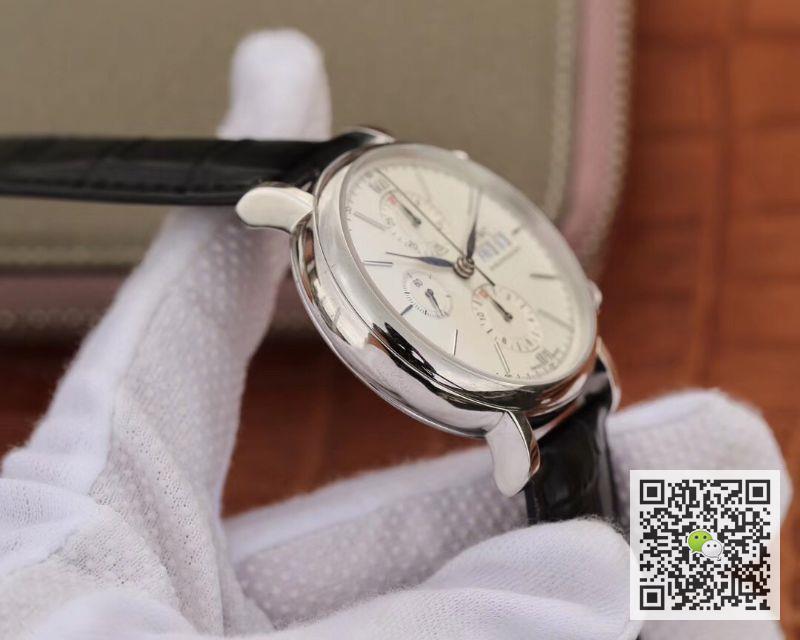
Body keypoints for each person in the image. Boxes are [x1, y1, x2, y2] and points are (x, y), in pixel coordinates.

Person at [0, 31, 790, 640]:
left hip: (556, 382)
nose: (465, 268)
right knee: (704, 489)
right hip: (528, 401)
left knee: (702, 508)